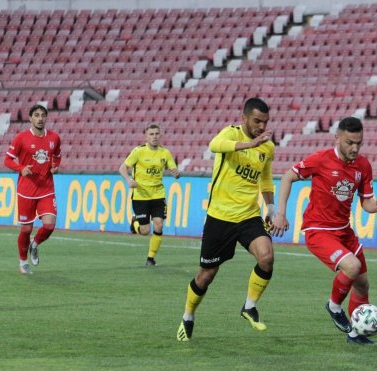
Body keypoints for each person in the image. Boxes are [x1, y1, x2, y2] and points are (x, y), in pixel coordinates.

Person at [271, 117, 377, 345]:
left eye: (359, 143)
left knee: (362, 284)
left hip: (344, 231)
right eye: (349, 143)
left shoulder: (363, 166)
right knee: (352, 267)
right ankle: (334, 306)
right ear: (337, 138)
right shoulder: (321, 159)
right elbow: (287, 177)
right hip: (319, 230)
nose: (354, 148)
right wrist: (280, 214)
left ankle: (355, 334)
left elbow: (366, 203)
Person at [177, 97, 277, 341]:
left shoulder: (267, 147)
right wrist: (249, 144)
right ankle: (188, 316)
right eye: (257, 121)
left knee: (266, 257)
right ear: (244, 118)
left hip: (248, 216)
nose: (261, 126)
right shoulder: (231, 133)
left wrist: (271, 208)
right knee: (206, 275)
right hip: (220, 217)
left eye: (265, 122)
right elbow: (214, 145)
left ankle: (249, 306)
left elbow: (265, 179)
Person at [3, 103, 62, 274]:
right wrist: (21, 168)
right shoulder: (21, 138)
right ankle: (23, 262)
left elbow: (57, 155)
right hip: (26, 191)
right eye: (36, 115)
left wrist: (55, 167)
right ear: (30, 118)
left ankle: (34, 244)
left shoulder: (54, 138)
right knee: (26, 229)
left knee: (49, 225)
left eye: (43, 115)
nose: (40, 119)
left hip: (46, 189)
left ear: (46, 118)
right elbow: (7, 160)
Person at [119, 123, 180, 266]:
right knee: (145, 230)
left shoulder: (165, 153)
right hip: (141, 196)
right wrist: (129, 180)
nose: (154, 137)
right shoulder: (138, 151)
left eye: (157, 134)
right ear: (146, 137)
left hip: (158, 195)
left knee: (159, 225)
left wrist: (176, 173)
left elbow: (174, 169)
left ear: (160, 135)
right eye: (151, 134)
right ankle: (135, 224)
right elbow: (122, 168)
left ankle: (150, 258)